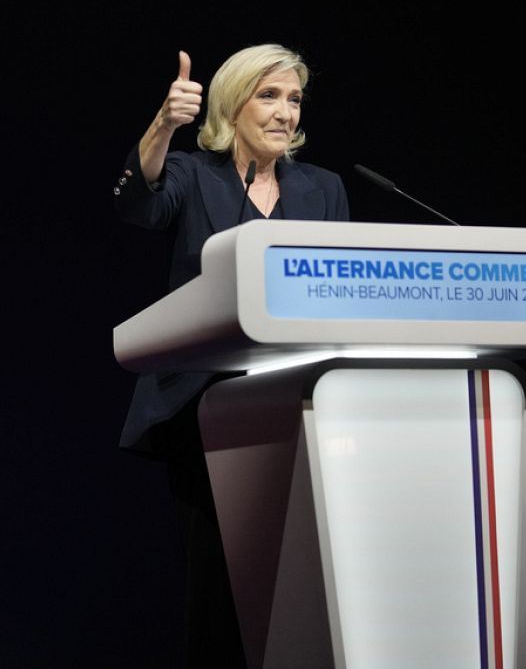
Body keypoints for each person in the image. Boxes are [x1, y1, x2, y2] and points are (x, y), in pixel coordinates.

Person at [112, 44, 349, 668]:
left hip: (300, 408)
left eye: (293, 99)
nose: (284, 113)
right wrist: (164, 124)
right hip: (205, 410)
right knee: (219, 586)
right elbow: (138, 205)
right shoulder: (195, 175)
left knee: (301, 578)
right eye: (268, 96)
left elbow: (341, 296)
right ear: (231, 104)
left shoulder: (324, 190)